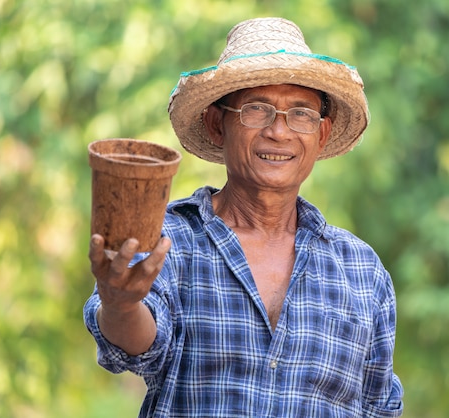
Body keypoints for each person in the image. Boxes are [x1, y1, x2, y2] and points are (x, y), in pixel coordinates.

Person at [84, 17, 404, 417]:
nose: (279, 132)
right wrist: (121, 305)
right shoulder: (171, 239)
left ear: (321, 135)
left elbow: (379, 408)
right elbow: (138, 347)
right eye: (257, 110)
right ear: (217, 124)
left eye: (301, 114)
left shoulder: (362, 271)